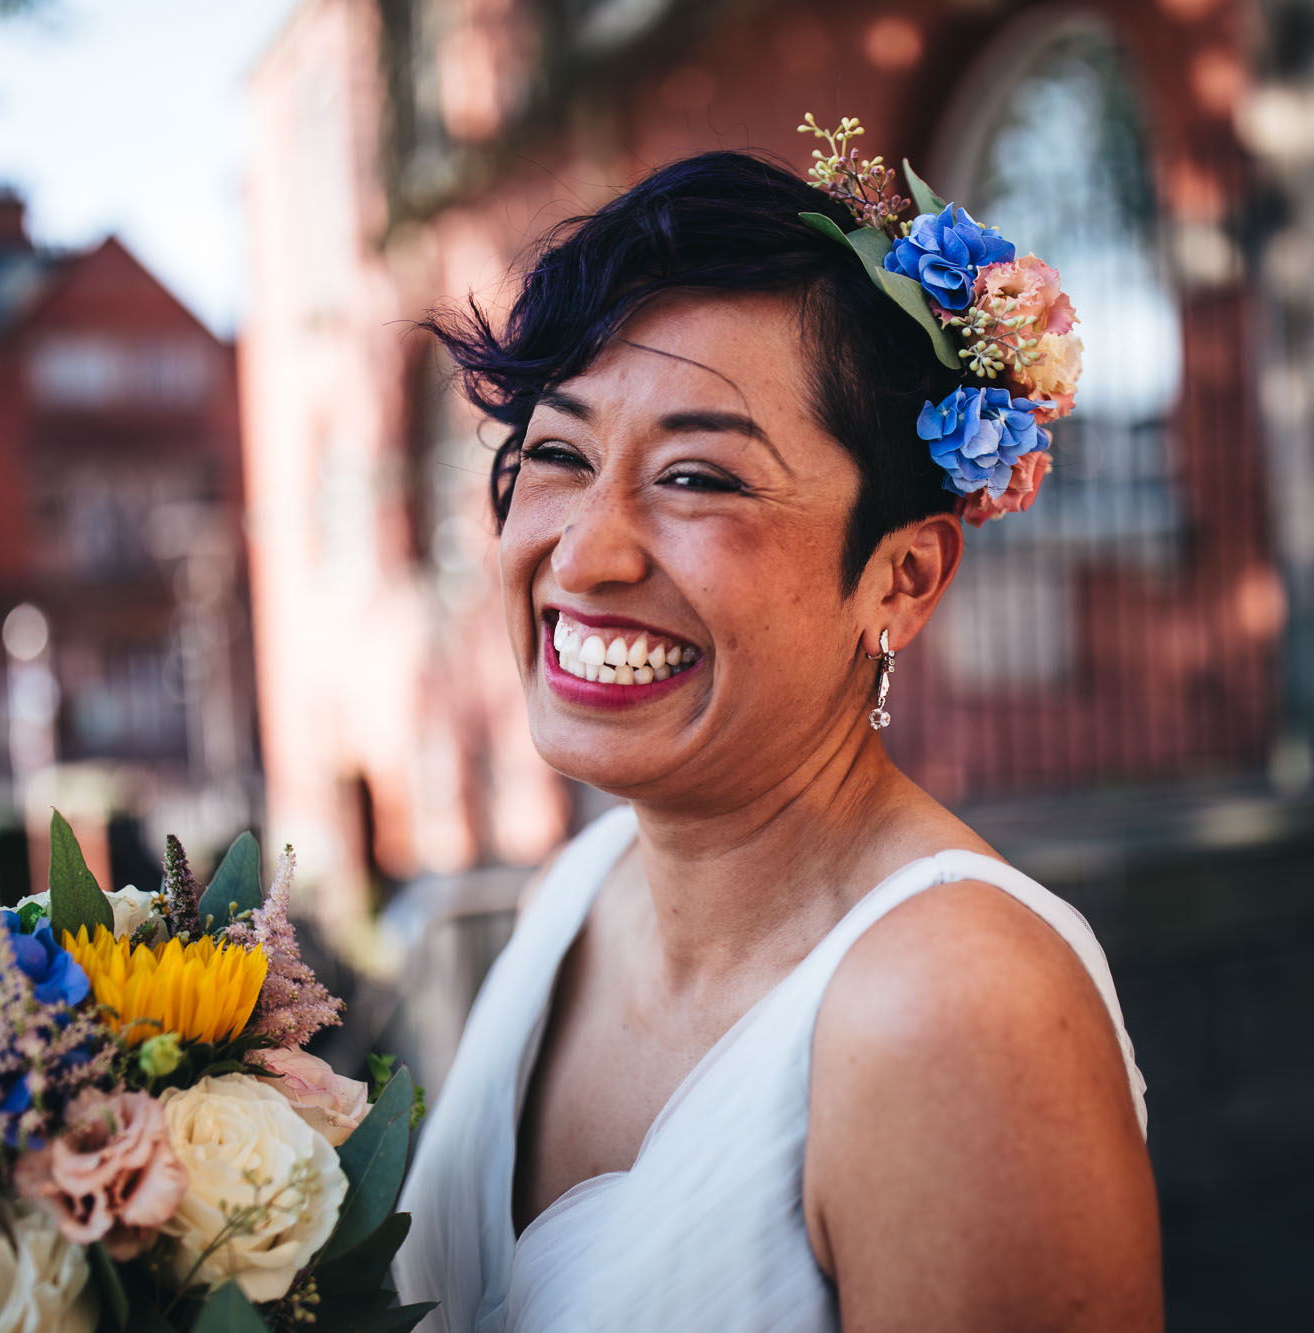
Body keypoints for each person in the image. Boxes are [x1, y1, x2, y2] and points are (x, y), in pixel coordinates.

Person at [391, 130, 1162, 1331]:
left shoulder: (953, 1014)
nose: (585, 554)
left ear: (900, 578)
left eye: (698, 478)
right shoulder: (578, 890)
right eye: (555, 453)